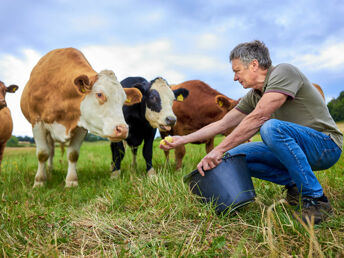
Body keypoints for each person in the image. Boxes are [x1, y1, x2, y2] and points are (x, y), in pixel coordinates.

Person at [160, 40, 343, 224]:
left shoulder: (284, 72)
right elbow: (223, 124)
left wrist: (218, 149)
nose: (234, 77)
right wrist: (182, 139)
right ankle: (296, 185)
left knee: (270, 128)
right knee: (233, 158)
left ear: (254, 65)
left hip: (326, 145)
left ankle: (317, 200)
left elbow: (259, 117)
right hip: (298, 148)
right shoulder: (255, 94)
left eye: (237, 70)